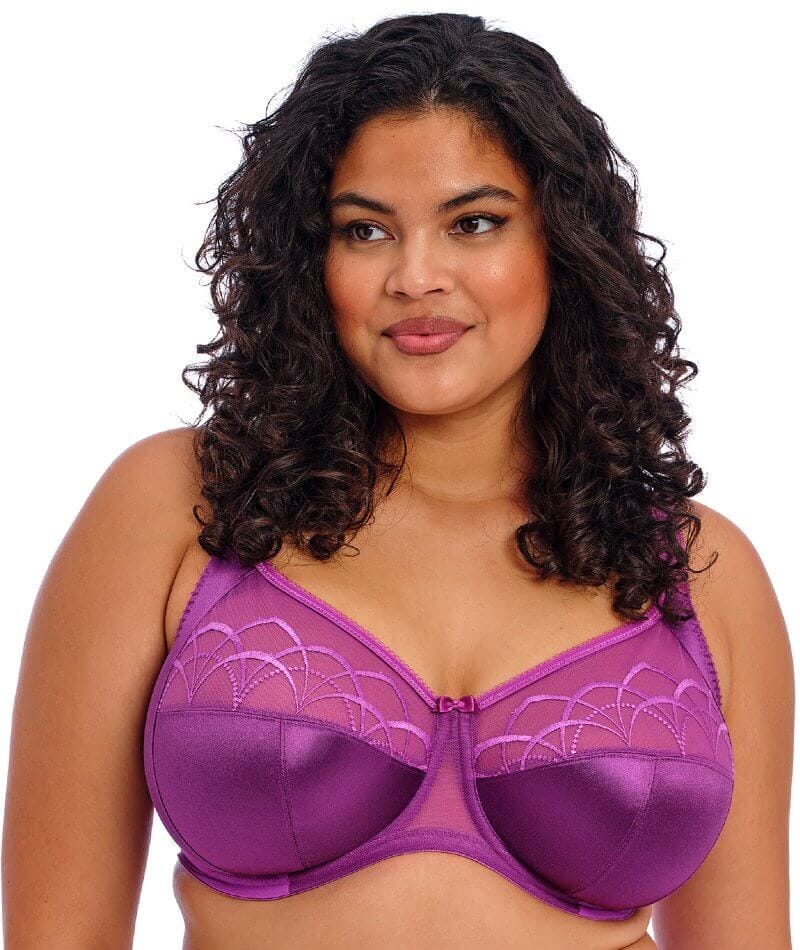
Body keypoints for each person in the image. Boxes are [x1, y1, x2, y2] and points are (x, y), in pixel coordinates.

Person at [3, 12, 792, 950]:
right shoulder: (183, 505)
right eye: (367, 230)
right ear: (312, 259)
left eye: (474, 223)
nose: (416, 277)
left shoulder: (697, 573)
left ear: (562, 243)